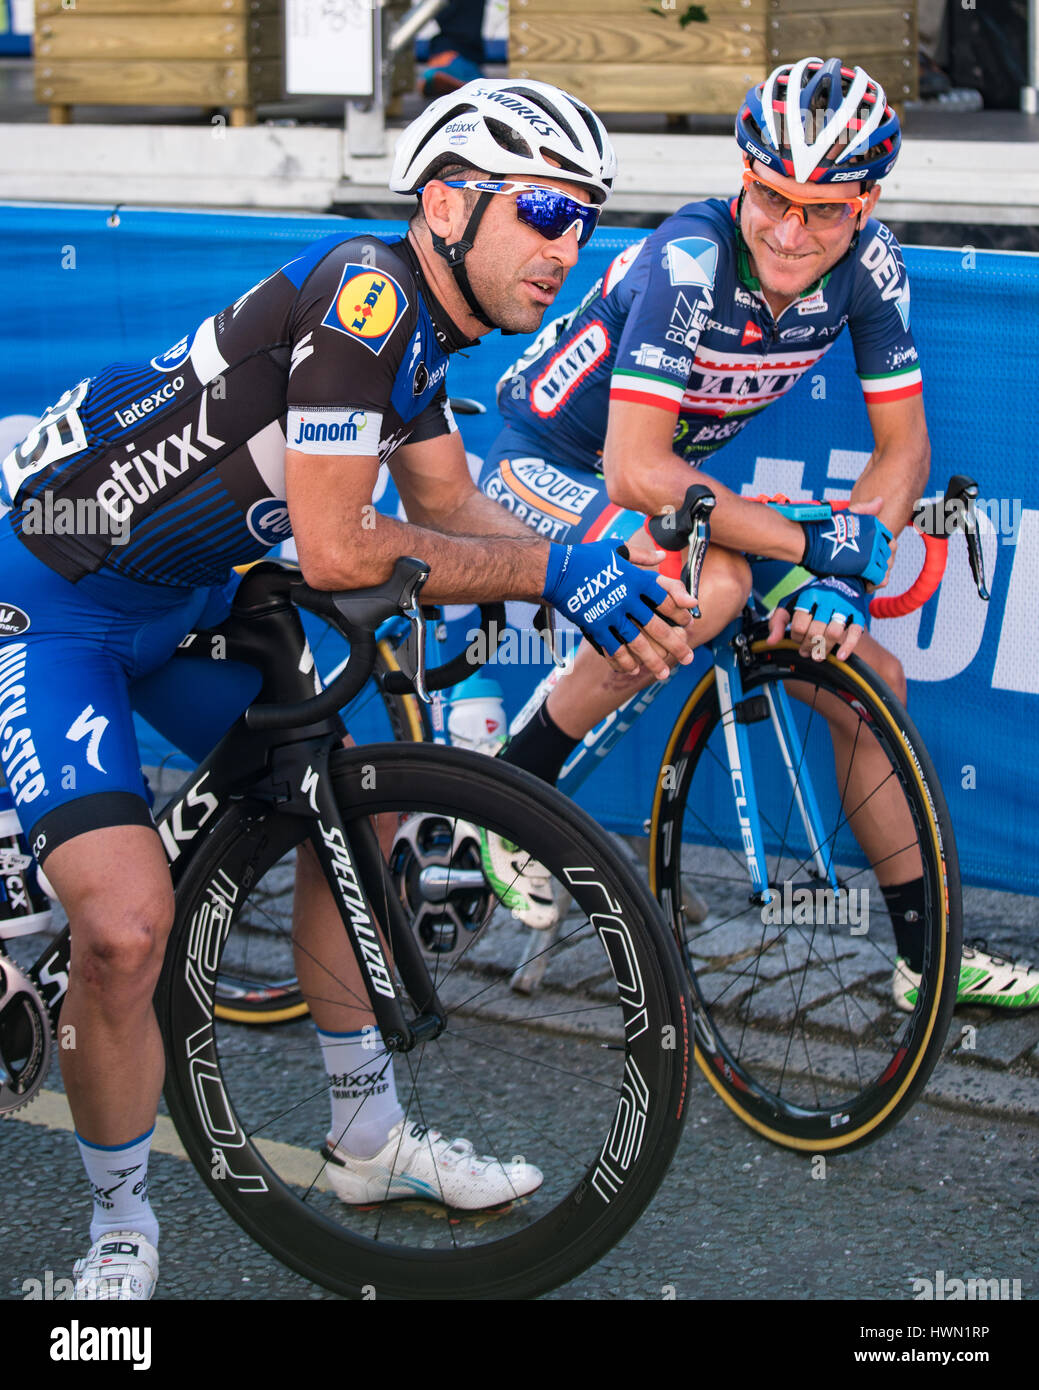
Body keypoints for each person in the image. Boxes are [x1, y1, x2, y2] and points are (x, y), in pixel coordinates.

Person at [0, 78, 699, 1300]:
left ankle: (367, 1141)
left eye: (586, 218)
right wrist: (556, 568)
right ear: (445, 203)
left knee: (354, 803)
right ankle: (120, 1235)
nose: (566, 247)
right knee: (123, 928)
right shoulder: (366, 294)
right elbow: (336, 548)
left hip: (185, 599)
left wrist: (600, 585)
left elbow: (446, 513)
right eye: (542, 210)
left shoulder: (425, 334)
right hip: (52, 602)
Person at [479, 56, 1039, 1011]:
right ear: (743, 178)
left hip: (655, 481)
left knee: (875, 685)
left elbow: (902, 452)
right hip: (545, 464)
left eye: (824, 209)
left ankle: (925, 962)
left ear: (865, 203)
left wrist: (846, 580)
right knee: (715, 587)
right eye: (773, 198)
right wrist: (813, 545)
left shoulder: (869, 268)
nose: (790, 231)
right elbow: (639, 472)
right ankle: (506, 786)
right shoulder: (688, 260)